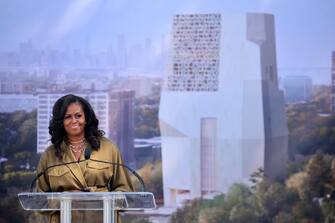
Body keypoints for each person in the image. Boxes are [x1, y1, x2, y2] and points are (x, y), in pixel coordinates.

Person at [36, 94, 134, 223]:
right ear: (60, 122)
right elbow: (39, 201)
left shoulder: (108, 148)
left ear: (86, 118)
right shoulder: (49, 155)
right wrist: (66, 199)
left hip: (103, 218)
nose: (74, 121)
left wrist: (101, 198)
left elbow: (126, 192)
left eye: (78, 116)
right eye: (67, 117)